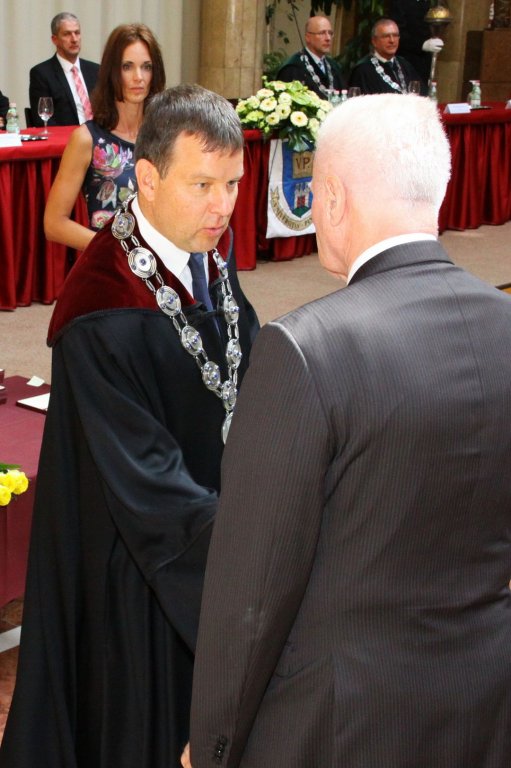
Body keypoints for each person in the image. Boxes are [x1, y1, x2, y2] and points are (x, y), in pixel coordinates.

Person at [184, 93, 511, 768]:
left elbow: (252, 594)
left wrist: (213, 745)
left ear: (330, 197)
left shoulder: (304, 350)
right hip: (483, 705)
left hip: (337, 727)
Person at [0, 84, 259, 768]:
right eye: (202, 184)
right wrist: (249, 557)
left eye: (233, 184)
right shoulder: (103, 307)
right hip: (139, 571)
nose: (222, 206)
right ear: (146, 177)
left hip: (206, 518)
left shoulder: (204, 246)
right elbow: (148, 489)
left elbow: (242, 362)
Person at [44, 23, 165, 251]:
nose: (138, 77)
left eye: (146, 67)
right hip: (111, 264)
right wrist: (113, 250)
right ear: (112, 72)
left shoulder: (166, 136)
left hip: (164, 262)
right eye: (127, 66)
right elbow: (54, 224)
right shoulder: (87, 139)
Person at [29, 12, 100, 127]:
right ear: (55, 39)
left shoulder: (96, 70)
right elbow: (43, 120)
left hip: (99, 135)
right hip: (67, 137)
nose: (74, 39)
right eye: (67, 34)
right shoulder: (41, 74)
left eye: (77, 33)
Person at [349, 18, 426, 95]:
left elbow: (422, 95)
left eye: (395, 35)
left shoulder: (405, 65)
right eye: (386, 36)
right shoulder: (362, 70)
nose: (392, 40)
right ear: (374, 41)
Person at [277, 15, 345, 100]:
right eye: (322, 33)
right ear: (308, 37)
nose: (328, 38)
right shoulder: (293, 68)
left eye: (330, 33)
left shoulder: (334, 66)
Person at [388, 0, 444, 87]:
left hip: (425, 60)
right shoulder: (400, 2)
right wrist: (422, 44)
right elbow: (396, 32)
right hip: (406, 59)